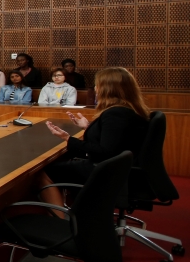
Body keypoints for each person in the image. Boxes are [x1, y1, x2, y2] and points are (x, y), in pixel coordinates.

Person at [40, 67, 150, 208]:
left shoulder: (116, 114)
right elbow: (115, 139)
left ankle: (59, 222)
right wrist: (88, 127)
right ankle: (78, 210)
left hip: (106, 171)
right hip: (121, 168)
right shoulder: (127, 109)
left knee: (45, 173)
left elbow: (104, 152)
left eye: (98, 85)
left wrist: (68, 138)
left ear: (108, 89)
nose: (95, 89)